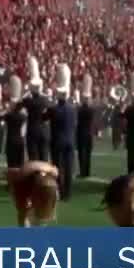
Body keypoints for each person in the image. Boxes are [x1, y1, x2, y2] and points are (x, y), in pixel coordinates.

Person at [47, 64, 78, 200]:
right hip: (70, 140)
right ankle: (68, 193)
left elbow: (43, 118)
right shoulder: (72, 109)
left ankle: (59, 191)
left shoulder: (53, 109)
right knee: (69, 167)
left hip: (57, 141)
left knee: (58, 167)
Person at [23, 57, 50, 162]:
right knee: (44, 157)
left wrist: (27, 90)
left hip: (32, 131)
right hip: (44, 131)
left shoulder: (28, 101)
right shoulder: (45, 100)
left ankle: (35, 176)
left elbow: (20, 101)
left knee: (33, 157)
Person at [76, 76, 96, 178]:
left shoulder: (80, 109)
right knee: (88, 154)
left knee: (82, 154)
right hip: (89, 133)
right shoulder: (91, 109)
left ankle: (82, 172)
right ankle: (87, 172)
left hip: (81, 133)